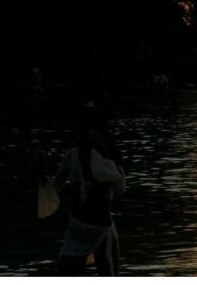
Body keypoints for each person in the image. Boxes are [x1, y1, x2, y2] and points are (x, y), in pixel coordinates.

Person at [48, 104, 125, 276]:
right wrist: (41, 176)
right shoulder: (72, 155)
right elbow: (55, 186)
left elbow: (119, 190)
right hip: (76, 229)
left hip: (102, 230)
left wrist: (104, 152)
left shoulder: (111, 155)